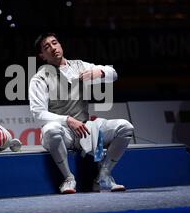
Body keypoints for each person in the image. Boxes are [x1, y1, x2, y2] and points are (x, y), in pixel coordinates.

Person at [29, 33, 134, 194]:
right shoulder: (39, 79)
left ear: (60, 45)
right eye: (46, 47)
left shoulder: (79, 66)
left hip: (85, 129)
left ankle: (104, 176)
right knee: (51, 130)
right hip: (63, 131)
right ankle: (68, 178)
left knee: (125, 127)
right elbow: (38, 113)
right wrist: (67, 120)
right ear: (42, 56)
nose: (53, 48)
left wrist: (100, 73)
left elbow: (114, 74)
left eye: (54, 43)